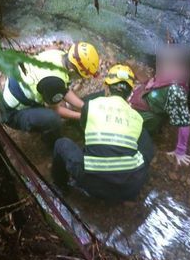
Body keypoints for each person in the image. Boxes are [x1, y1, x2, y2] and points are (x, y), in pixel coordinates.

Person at [52, 64, 155, 201]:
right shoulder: (136, 117)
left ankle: (61, 186)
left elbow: (85, 129)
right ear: (130, 93)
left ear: (106, 87)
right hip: (130, 189)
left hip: (93, 186)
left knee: (61, 144)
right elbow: (149, 152)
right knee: (145, 142)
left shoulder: (91, 105)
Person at [0, 42, 100, 144]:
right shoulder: (53, 82)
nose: (80, 79)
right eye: (81, 76)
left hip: (16, 91)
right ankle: (52, 142)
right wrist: (82, 116)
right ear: (72, 71)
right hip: (11, 113)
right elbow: (55, 110)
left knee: (57, 98)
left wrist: (84, 106)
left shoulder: (58, 54)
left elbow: (63, 90)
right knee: (53, 119)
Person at [129, 44, 190, 166]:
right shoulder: (174, 84)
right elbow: (184, 121)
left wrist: (180, 150)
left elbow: (184, 121)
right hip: (144, 106)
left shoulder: (174, 87)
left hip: (147, 105)